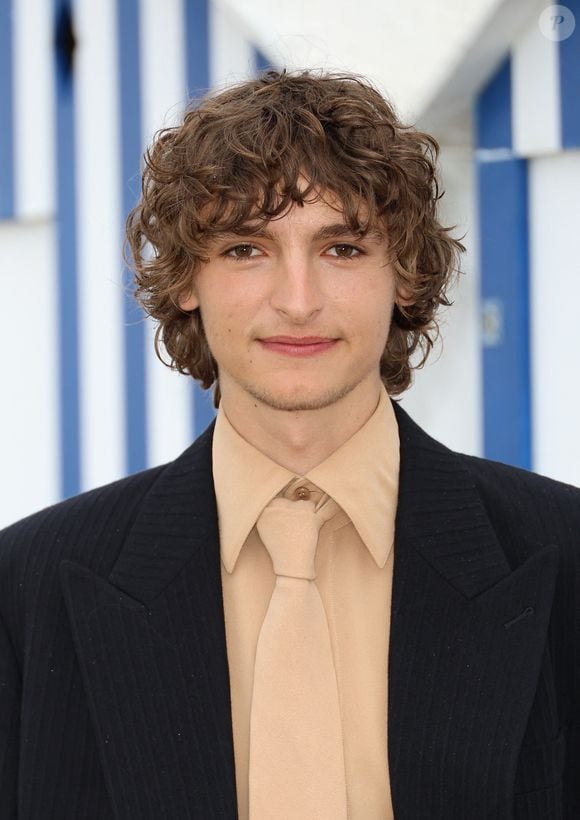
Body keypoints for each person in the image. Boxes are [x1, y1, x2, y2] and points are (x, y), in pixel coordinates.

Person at [0, 69, 578, 820]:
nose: (297, 300)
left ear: (403, 273)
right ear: (185, 279)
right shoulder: (27, 587)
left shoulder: (563, 554)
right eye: (246, 249)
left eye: (340, 248)